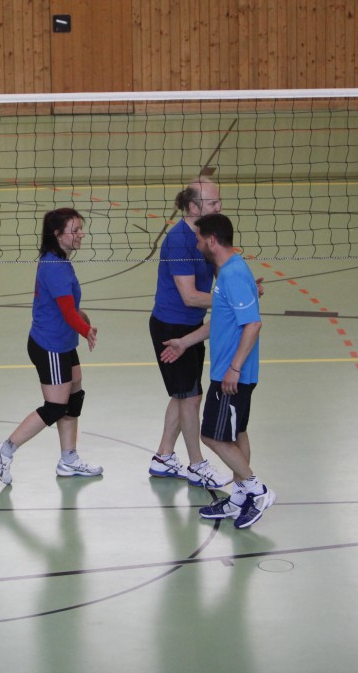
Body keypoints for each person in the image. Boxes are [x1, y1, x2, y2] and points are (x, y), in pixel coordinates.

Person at [160, 213, 274, 529]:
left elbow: (253, 324)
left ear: (211, 240)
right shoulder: (227, 273)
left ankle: (257, 491)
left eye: (199, 239)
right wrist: (185, 342)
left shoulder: (233, 274)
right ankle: (239, 497)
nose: (196, 244)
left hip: (231, 375)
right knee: (236, 434)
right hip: (228, 372)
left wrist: (234, 368)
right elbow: (222, 321)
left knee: (211, 435)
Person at [0, 208, 102, 486]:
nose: (81, 234)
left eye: (81, 228)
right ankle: (4, 450)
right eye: (75, 230)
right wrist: (85, 330)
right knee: (55, 406)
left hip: (63, 342)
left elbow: (67, 306)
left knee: (74, 396)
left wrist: (82, 319)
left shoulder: (59, 261)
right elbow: (67, 311)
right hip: (50, 345)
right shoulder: (55, 267)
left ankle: (69, 459)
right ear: (58, 234)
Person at [147, 178, 230, 489]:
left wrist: (240, 283)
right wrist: (233, 299)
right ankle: (197, 465)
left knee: (184, 395)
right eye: (212, 203)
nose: (219, 207)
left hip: (192, 326)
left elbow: (222, 270)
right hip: (172, 329)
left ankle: (164, 457)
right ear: (194, 207)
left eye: (218, 201)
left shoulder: (207, 235)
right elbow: (190, 296)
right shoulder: (180, 241)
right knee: (191, 398)